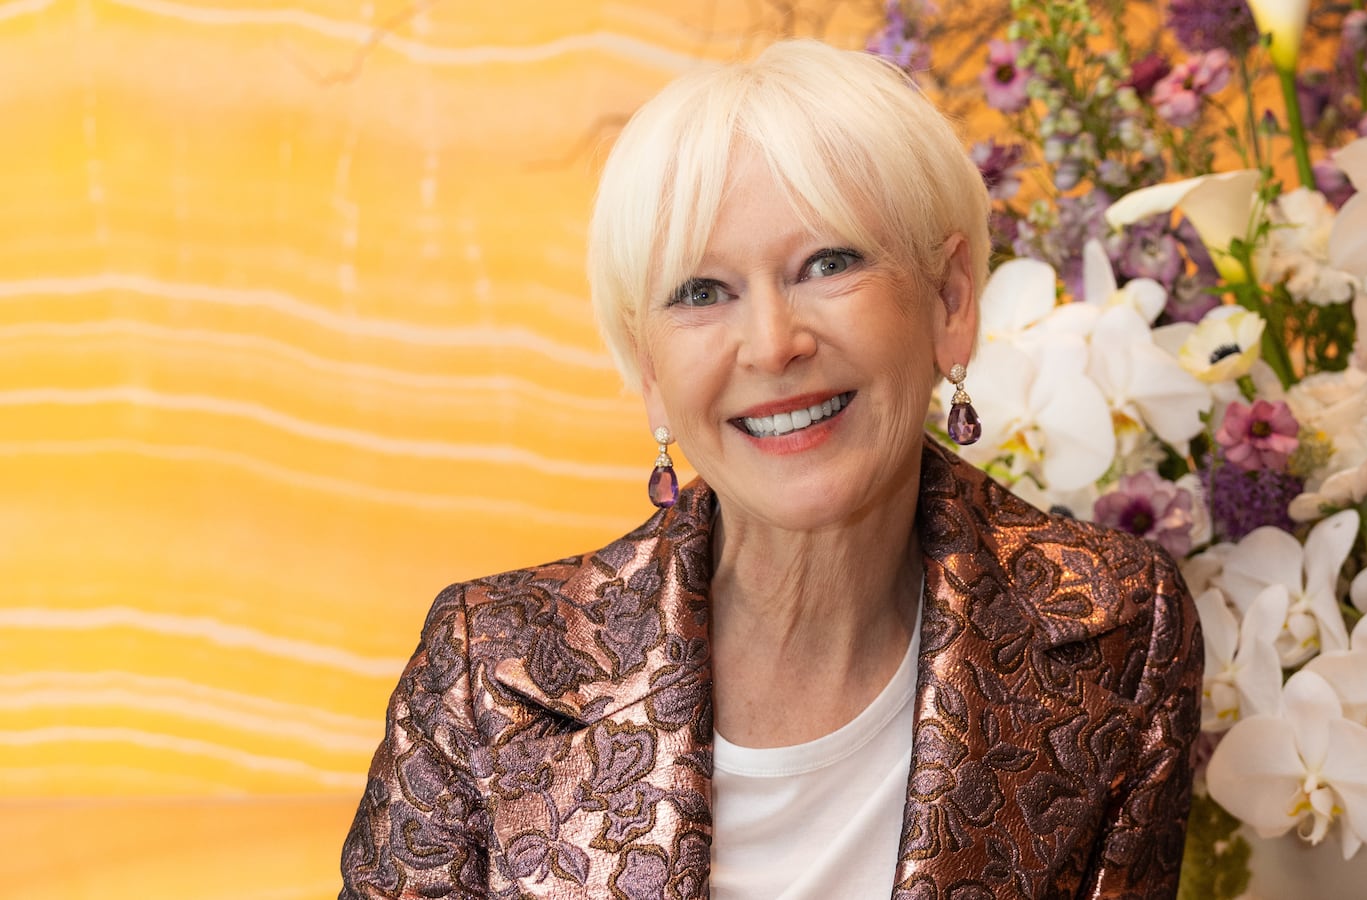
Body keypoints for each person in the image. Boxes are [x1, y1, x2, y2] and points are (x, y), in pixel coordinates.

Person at [340, 39, 1201, 899]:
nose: (772, 344)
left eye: (829, 263)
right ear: (650, 367)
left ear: (949, 299)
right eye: (701, 292)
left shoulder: (1117, 631)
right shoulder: (489, 673)